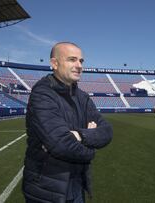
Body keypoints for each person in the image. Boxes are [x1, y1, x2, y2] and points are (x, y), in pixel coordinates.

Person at [22, 42, 113, 203]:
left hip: (77, 186)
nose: (79, 65)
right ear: (54, 64)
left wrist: (79, 136)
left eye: (81, 61)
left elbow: (107, 131)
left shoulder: (83, 98)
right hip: (46, 190)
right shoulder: (42, 94)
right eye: (72, 60)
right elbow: (60, 144)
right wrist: (90, 149)